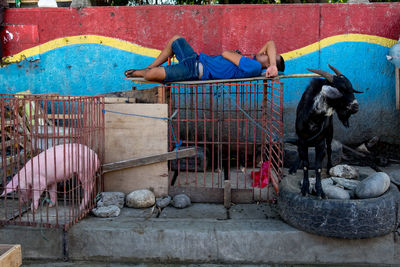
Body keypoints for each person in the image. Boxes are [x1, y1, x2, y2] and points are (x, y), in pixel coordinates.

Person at [125, 35, 285, 83]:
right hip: (195, 59)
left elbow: (225, 54)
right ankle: (147, 67)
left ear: (268, 63)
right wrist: (272, 64)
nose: (264, 53)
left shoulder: (255, 67)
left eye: (270, 56)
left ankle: (142, 73)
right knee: (176, 40)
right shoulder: (253, 62)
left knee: (153, 75)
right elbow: (270, 43)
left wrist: (272, 65)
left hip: (193, 70)